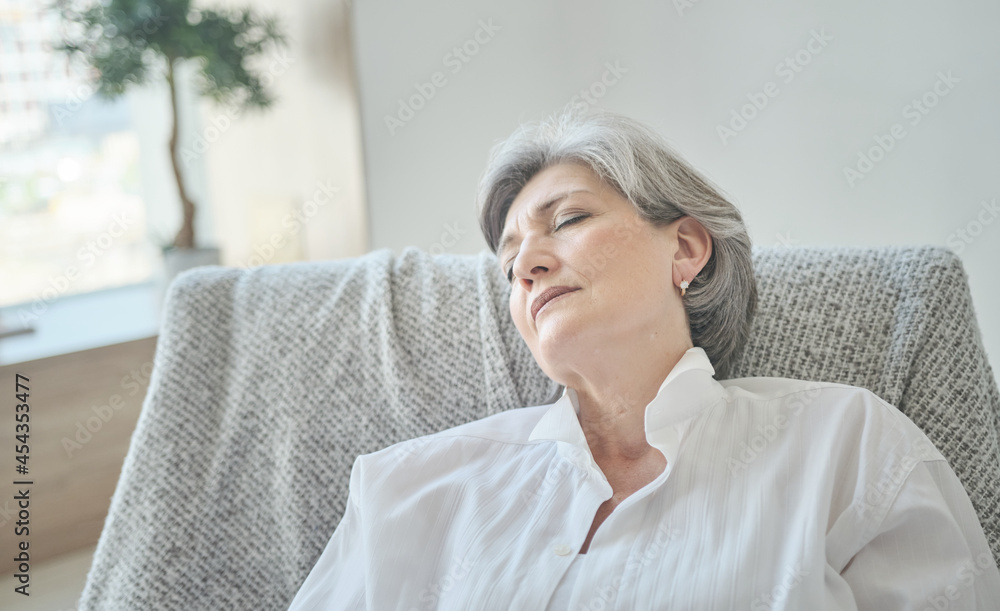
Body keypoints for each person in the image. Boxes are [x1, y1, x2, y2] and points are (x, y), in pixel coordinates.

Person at [288, 108, 1000, 609]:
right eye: (509, 266)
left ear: (685, 248)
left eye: (567, 220)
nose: (527, 264)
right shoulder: (407, 491)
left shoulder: (847, 448)